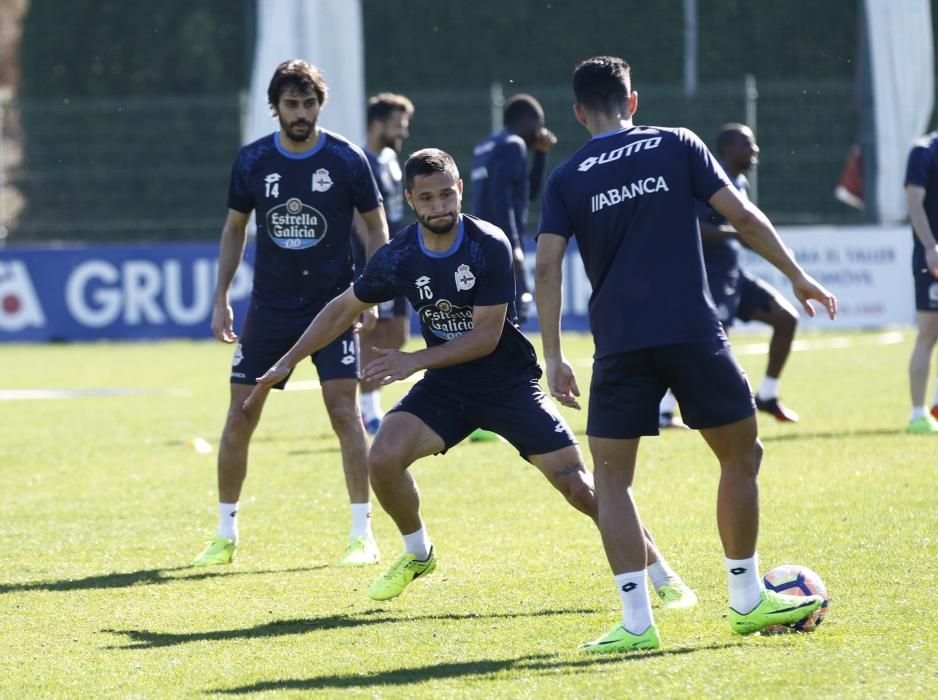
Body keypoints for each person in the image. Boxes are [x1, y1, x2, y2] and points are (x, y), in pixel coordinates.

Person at [246, 148, 697, 608]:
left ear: (459, 189)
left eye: (446, 194)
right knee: (381, 459)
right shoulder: (399, 256)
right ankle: (418, 553)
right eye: (427, 198)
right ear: (411, 200)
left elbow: (485, 338)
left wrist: (413, 360)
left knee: (580, 487)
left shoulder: (488, 244)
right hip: (448, 387)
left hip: (508, 385)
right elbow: (343, 307)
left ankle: (662, 573)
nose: (439, 206)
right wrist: (289, 359)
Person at [535, 56, 837, 652]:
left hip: (619, 343)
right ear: (634, 101)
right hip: (693, 332)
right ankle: (747, 599)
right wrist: (797, 275)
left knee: (613, 481)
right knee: (740, 455)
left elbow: (546, 266)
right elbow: (744, 218)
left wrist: (552, 354)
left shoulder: (567, 176)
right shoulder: (676, 144)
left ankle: (635, 624)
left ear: (578, 113)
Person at [192, 59, 389, 569]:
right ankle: (224, 533)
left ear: (320, 105)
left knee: (345, 415)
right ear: (275, 107)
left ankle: (361, 535)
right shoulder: (253, 160)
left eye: (308, 103)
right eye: (291, 104)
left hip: (334, 308)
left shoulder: (347, 159)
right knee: (241, 414)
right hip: (270, 309)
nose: (300, 113)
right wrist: (221, 297)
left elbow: (376, 227)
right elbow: (235, 229)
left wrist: (371, 294)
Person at [659, 123, 802, 428]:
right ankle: (664, 409)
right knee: (704, 344)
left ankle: (767, 394)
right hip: (708, 276)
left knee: (786, 317)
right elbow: (691, 226)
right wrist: (732, 233)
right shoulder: (710, 179)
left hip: (735, 275)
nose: (755, 150)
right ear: (727, 149)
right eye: (746, 145)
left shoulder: (741, 183)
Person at [352, 93, 415, 435]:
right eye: (397, 125)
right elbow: (360, 219)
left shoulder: (391, 161)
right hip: (375, 262)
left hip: (398, 260)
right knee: (372, 333)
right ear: (378, 124)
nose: (403, 132)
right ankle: (366, 409)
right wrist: (376, 263)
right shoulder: (362, 161)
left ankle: (369, 404)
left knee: (398, 333)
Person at [471, 94, 557, 326]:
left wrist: (540, 153)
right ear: (527, 120)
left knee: (489, 320)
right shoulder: (513, 144)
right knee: (514, 316)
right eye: (539, 124)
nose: (541, 131)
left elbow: (526, 193)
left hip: (477, 244)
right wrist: (513, 244)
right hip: (500, 246)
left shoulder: (485, 145)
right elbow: (502, 197)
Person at [904, 131, 938, 434]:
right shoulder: (923, 150)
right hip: (934, 258)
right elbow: (914, 203)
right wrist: (930, 246)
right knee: (929, 334)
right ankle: (918, 415)